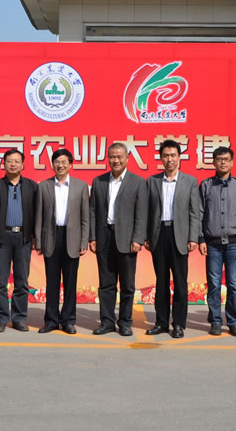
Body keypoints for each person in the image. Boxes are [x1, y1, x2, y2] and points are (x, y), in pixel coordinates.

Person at [89, 142, 147, 337]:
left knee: (127, 285)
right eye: (112, 157)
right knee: (106, 283)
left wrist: (138, 238)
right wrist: (93, 236)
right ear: (108, 158)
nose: (116, 160)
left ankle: (125, 322)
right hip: (104, 237)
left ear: (127, 158)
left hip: (128, 239)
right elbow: (93, 211)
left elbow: (141, 213)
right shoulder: (99, 181)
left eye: (120, 157)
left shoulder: (138, 182)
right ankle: (107, 322)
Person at [144, 140, 200, 339]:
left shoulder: (190, 181)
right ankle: (161, 322)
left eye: (173, 155)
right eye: (166, 155)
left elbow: (195, 212)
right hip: (158, 236)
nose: (169, 159)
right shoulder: (152, 181)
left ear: (179, 157)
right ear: (161, 158)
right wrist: (146, 236)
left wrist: (193, 237)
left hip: (180, 236)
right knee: (161, 282)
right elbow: (146, 211)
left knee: (180, 283)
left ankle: (178, 324)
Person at [34, 148, 90, 335]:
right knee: (52, 282)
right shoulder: (44, 186)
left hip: (72, 238)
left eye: (64, 162)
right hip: (51, 237)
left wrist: (84, 241)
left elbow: (85, 217)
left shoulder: (81, 186)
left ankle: (68, 320)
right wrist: (39, 242)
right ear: (52, 165)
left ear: (70, 165)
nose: (60, 165)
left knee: (70, 282)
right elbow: (39, 216)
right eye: (57, 162)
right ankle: (51, 320)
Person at [198, 146, 236, 337]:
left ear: (232, 162)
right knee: (213, 284)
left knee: (234, 284)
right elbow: (200, 214)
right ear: (213, 162)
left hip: (235, 243)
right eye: (219, 159)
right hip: (212, 244)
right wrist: (200, 238)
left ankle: (234, 321)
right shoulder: (206, 185)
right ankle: (215, 321)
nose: (222, 162)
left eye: (226, 159)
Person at [0, 149, 38, 332]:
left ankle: (19, 318)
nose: (13, 164)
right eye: (9, 161)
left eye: (16, 161)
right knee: (0, 282)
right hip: (1, 239)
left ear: (23, 165)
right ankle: (0, 319)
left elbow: (37, 214)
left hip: (24, 238)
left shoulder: (31, 187)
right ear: (3, 164)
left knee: (22, 281)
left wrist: (35, 237)